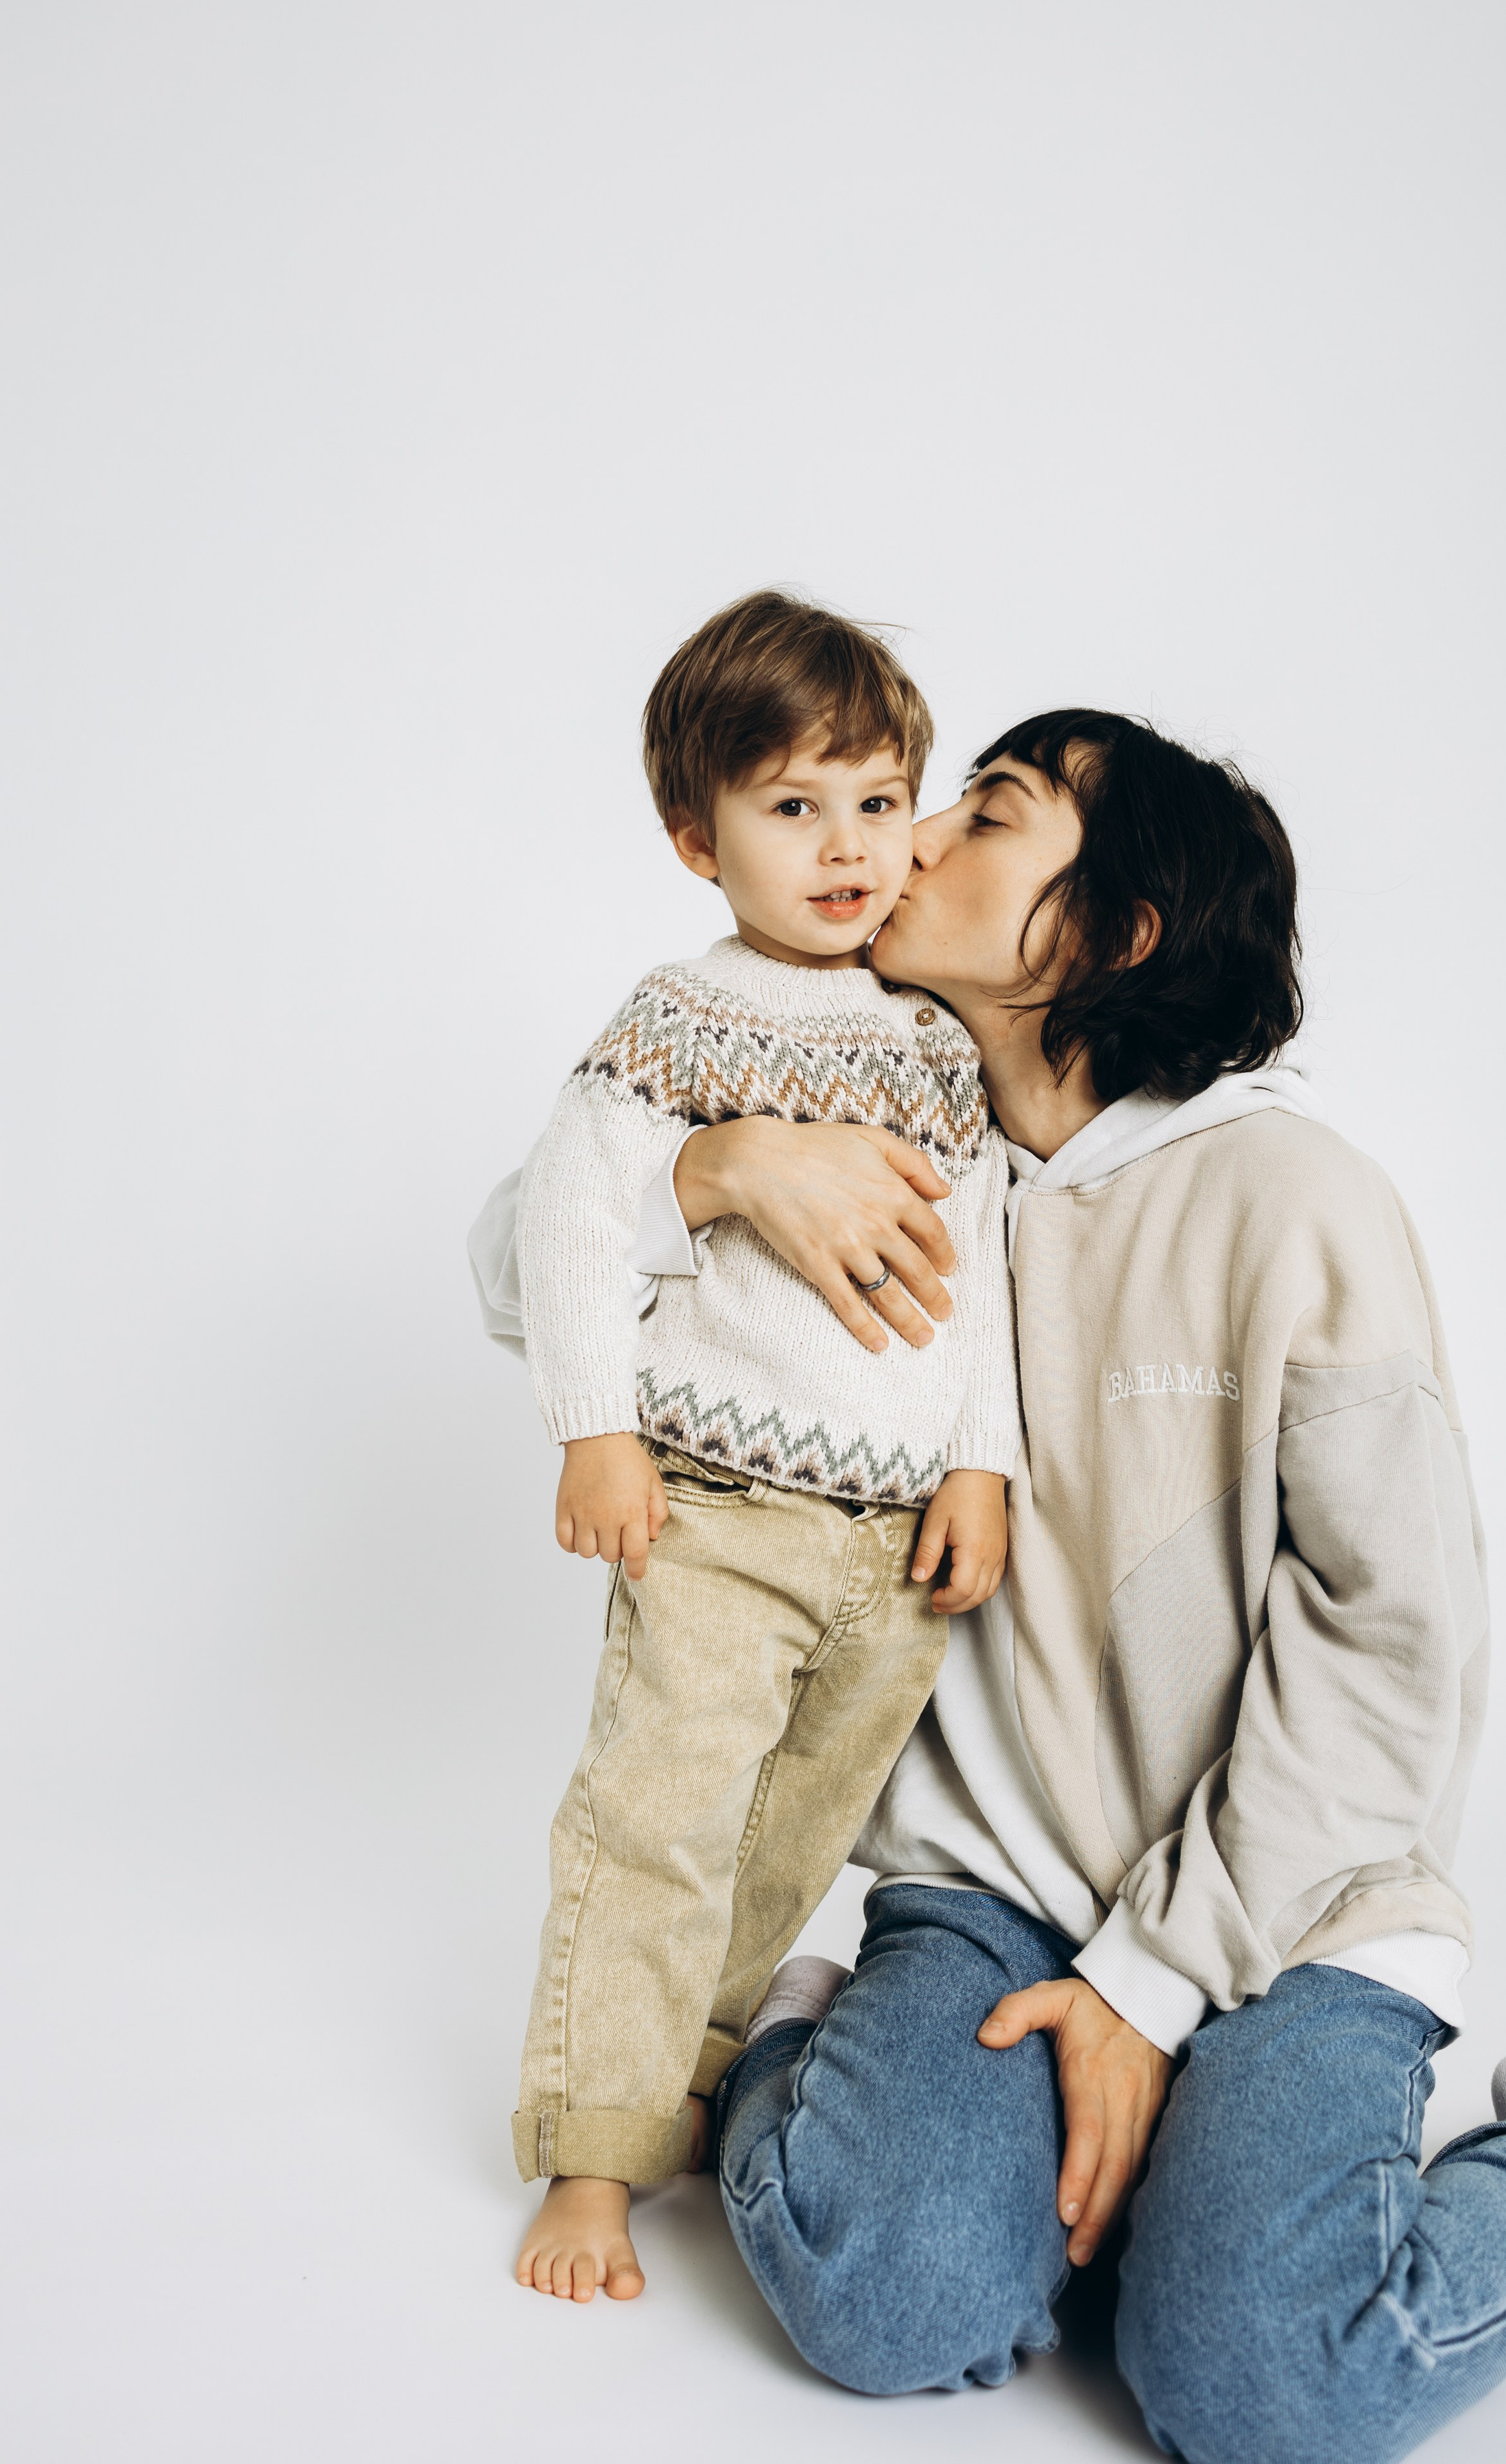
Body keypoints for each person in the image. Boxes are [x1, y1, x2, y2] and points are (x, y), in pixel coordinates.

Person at [632, 709, 1506, 2464]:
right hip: (994, 1890)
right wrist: (719, 1167)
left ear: (1111, 933)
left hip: (1290, 1912)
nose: (915, 832)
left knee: (1260, 2392)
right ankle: (822, 2048)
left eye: (990, 813)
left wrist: (1148, 1993)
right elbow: (525, 1275)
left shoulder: (1286, 1195)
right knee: (881, 2295)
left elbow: (1391, 1649)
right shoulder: (877, 1156)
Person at [485, 593, 1019, 2307]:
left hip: (890, 1551)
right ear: (691, 835)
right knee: (657, 1819)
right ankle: (593, 2153)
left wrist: (980, 1464)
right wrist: (596, 1432)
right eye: (791, 808)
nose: (848, 845)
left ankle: (697, 2071)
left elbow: (990, 1273)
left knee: (792, 1837)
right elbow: (572, 1218)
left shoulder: (943, 1044)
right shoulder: (681, 1016)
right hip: (718, 1510)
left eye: (877, 800)